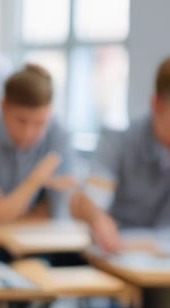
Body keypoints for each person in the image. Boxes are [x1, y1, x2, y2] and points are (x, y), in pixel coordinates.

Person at [0, 64, 76, 224]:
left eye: (40, 123)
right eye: (21, 120)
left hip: (33, 236)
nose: (29, 133)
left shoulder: (59, 133)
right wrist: (36, 179)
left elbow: (56, 212)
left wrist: (10, 208)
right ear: (3, 106)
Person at [71, 57, 170, 253]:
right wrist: (96, 217)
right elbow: (91, 200)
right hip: (118, 259)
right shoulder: (119, 141)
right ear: (157, 104)